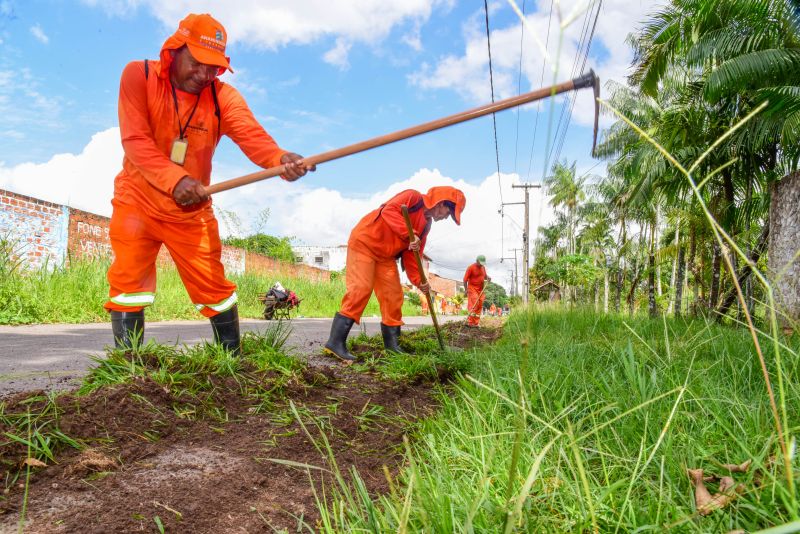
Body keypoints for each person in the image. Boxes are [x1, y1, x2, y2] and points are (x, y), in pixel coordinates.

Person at [104, 13, 314, 355]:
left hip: (189, 212)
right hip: (136, 202)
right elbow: (135, 141)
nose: (204, 75)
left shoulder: (222, 98)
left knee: (214, 287)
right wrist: (176, 179)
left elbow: (252, 136)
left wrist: (279, 159)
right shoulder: (138, 75)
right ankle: (128, 370)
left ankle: (230, 364)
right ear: (175, 49)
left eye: (214, 68)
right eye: (198, 63)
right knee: (128, 286)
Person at [324, 187, 466, 362]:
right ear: (442, 203)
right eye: (449, 213)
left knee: (393, 296)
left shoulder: (425, 226)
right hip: (365, 244)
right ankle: (335, 342)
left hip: (386, 257)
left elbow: (413, 255)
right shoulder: (413, 197)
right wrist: (409, 234)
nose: (446, 218)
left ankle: (392, 347)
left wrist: (419, 281)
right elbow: (388, 211)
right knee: (361, 289)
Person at [463, 255, 490, 327]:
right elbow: (465, 279)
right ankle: (470, 322)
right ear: (477, 261)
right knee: (475, 303)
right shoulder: (471, 267)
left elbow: (485, 276)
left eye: (482, 263)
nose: (481, 264)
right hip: (472, 288)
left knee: (480, 305)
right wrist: (466, 290)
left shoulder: (483, 268)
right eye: (480, 263)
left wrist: (488, 278)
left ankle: (476, 323)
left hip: (481, 290)